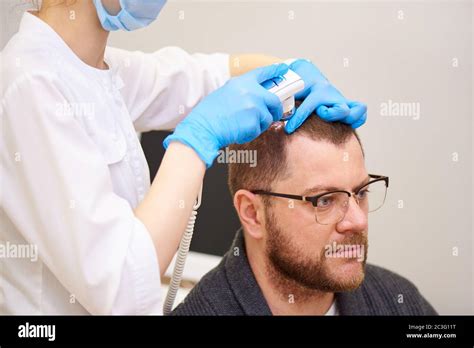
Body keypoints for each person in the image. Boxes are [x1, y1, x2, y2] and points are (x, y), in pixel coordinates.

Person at [0, 0, 366, 314]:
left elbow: (200, 76)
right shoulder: (31, 83)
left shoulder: (93, 69)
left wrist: (291, 70)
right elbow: (121, 290)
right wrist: (195, 140)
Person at [171, 107, 437, 315]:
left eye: (361, 193)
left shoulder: (399, 301)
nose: (357, 221)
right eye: (323, 201)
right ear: (253, 213)